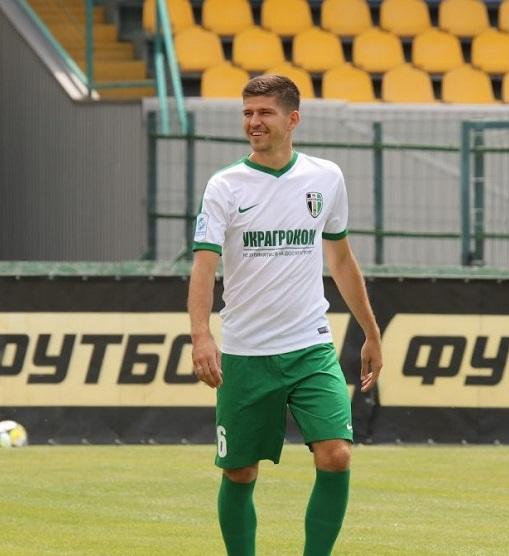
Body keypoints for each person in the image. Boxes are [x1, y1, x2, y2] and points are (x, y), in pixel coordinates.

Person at [187, 74, 383, 556]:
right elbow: (204, 267)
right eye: (247, 113)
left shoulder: (325, 177)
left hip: (311, 346)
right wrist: (201, 336)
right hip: (246, 353)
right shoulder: (224, 186)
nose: (253, 122)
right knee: (240, 472)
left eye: (264, 113)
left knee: (336, 455)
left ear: (292, 119)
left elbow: (341, 260)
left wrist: (371, 332)